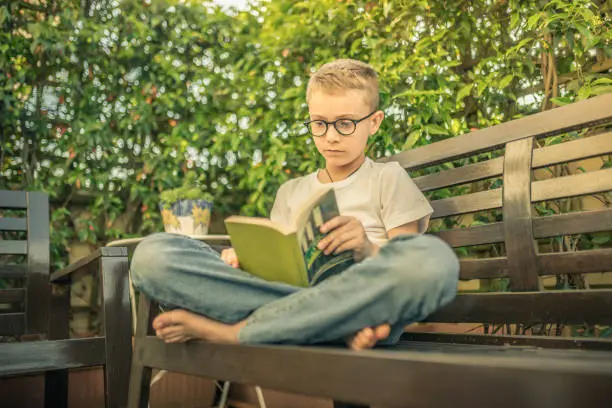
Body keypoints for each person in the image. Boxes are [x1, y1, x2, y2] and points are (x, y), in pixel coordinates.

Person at [130, 59, 459, 350]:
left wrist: (367, 248)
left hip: (366, 296)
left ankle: (238, 333)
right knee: (152, 257)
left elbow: (405, 258)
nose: (330, 136)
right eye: (319, 123)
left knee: (435, 261)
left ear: (374, 122)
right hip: (356, 318)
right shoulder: (290, 192)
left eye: (345, 123)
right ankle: (336, 326)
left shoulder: (388, 178)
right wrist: (242, 260)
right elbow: (275, 266)